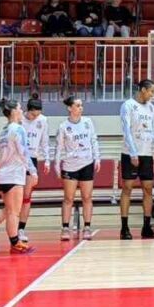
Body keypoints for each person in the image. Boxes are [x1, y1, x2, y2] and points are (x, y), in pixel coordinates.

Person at [0, 97, 37, 254]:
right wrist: (33, 171)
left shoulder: (4, 130)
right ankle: (15, 243)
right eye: (20, 108)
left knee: (8, 209)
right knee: (14, 213)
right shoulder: (18, 129)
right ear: (13, 111)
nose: (22, 111)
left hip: (1, 175)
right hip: (13, 175)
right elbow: (24, 153)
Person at [118, 79, 154, 240]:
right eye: (151, 91)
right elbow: (126, 130)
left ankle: (146, 227)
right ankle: (124, 228)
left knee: (148, 189)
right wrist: (133, 152)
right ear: (143, 90)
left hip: (146, 153)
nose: (153, 95)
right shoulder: (128, 105)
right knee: (127, 188)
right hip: (130, 153)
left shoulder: (151, 107)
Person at [54, 94, 101, 240]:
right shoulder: (63, 126)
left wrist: (97, 158)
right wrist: (56, 164)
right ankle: (65, 228)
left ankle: (87, 227)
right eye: (78, 105)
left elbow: (94, 140)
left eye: (81, 105)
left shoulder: (88, 122)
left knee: (87, 197)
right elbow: (58, 147)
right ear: (70, 108)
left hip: (87, 163)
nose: (81, 108)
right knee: (68, 198)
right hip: (70, 166)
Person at [18, 96, 48, 238]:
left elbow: (44, 141)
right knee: (15, 196)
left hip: (32, 159)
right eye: (32, 115)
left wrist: (47, 160)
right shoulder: (19, 120)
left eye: (37, 115)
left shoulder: (43, 120)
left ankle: (21, 229)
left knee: (26, 196)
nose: (35, 117)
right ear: (27, 111)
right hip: (18, 160)